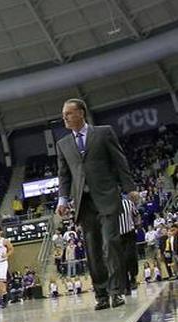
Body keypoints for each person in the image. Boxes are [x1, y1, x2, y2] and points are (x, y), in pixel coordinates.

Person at [56, 98, 134, 310]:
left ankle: (116, 292)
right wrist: (62, 199)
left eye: (69, 113)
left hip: (107, 198)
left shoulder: (103, 132)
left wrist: (130, 188)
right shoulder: (62, 144)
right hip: (84, 203)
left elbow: (120, 161)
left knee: (111, 244)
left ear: (81, 113)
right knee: (93, 251)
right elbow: (64, 176)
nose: (65, 118)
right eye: (64, 115)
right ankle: (101, 294)